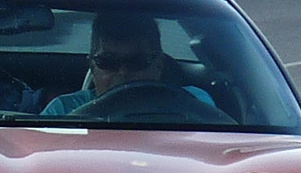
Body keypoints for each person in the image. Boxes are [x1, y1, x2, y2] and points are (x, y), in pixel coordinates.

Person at [42, 12, 217, 117]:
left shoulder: (193, 103)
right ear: (92, 66)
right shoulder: (63, 110)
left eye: (137, 62)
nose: (123, 72)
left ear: (159, 66)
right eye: (108, 62)